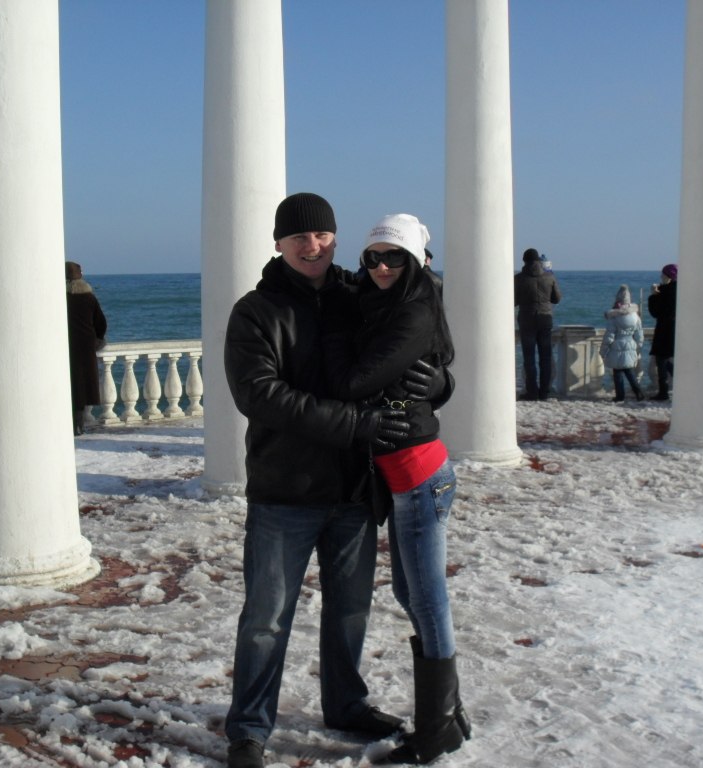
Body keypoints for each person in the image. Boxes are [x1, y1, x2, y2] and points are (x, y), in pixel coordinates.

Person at [222, 193, 444, 768]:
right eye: (298, 236)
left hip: (353, 488)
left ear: (336, 237)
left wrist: (437, 383)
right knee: (266, 618)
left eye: (320, 234)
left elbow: (416, 334)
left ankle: (345, 705)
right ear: (278, 243)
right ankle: (249, 729)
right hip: (284, 489)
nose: (311, 245)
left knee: (350, 611)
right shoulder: (256, 311)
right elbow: (259, 395)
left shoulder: (358, 294)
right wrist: (355, 425)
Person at [321, 214, 471, 765]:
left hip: (419, 478)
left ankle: (437, 731)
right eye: (373, 257)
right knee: (412, 596)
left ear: (414, 261)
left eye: (394, 257)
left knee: (426, 599)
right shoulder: (381, 300)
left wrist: (333, 339)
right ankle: (449, 714)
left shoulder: (412, 311)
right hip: (406, 476)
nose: (382, 267)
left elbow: (355, 382)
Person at [65, 261, 107, 435]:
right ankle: (79, 425)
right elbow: (101, 323)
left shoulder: (61, 297)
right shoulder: (89, 297)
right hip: (86, 347)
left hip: (67, 346)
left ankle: (72, 424)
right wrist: (97, 340)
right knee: (82, 387)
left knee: (70, 386)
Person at [514, 248, 562, 400]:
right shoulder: (549, 277)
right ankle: (545, 392)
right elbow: (557, 298)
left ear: (524, 261)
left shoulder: (518, 278)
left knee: (529, 358)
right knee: (545, 357)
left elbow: (513, 301)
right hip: (545, 319)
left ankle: (532, 392)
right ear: (538, 261)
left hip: (526, 319)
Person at [600, 284, 644, 402]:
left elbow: (609, 336)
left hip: (617, 346)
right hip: (630, 344)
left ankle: (620, 396)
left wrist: (603, 350)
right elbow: (639, 334)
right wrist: (638, 347)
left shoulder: (614, 317)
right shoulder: (635, 316)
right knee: (629, 371)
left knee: (617, 372)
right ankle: (638, 392)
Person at [648, 263, 678, 401]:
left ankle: (663, 392)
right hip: (676, 329)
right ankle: (682, 384)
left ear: (669, 276)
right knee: (665, 361)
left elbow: (656, 312)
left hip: (665, 331)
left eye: (663, 275)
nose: (661, 277)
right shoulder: (682, 290)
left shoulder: (666, 292)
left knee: (661, 361)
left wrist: (654, 295)